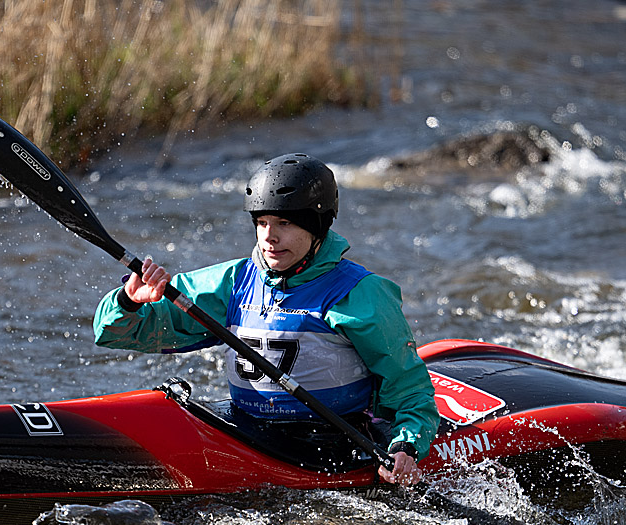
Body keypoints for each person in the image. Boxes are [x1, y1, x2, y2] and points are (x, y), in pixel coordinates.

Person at [93, 153, 438, 485]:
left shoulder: (360, 294)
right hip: (247, 432)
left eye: (284, 224)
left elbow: (408, 389)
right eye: (261, 223)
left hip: (331, 444)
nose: (269, 237)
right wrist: (129, 300)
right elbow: (115, 334)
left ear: (317, 226)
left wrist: (406, 447)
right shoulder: (232, 281)